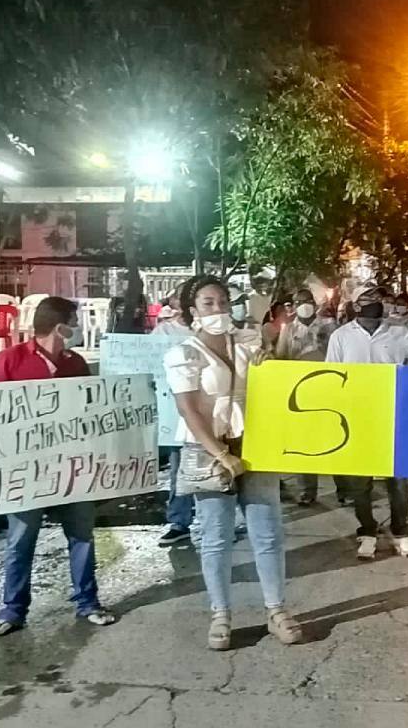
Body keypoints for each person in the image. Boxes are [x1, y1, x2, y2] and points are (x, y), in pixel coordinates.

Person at [164, 275, 302, 650]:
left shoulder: (248, 343)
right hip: (209, 450)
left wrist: (268, 364)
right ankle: (220, 615)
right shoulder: (184, 354)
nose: (218, 309)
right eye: (208, 303)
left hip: (255, 445)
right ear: (193, 311)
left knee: (268, 531)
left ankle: (276, 611)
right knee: (216, 538)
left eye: (223, 302)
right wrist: (220, 453)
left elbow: (272, 388)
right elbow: (188, 408)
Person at [0, 296, 117, 636]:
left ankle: (87, 602)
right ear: (60, 327)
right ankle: (12, 610)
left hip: (73, 466)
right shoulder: (8, 361)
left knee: (82, 535)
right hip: (25, 470)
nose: (75, 329)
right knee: (21, 540)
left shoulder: (76, 364)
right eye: (73, 322)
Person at [325, 285, 408, 560]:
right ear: (356, 305)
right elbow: (331, 375)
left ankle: (401, 532)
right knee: (360, 482)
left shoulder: (398, 333)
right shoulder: (341, 337)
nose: (375, 302)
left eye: (378, 298)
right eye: (368, 298)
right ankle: (367, 531)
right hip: (357, 419)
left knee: (397, 479)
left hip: (394, 415)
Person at [275, 288, 349, 507]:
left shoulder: (330, 327)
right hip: (300, 394)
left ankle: (344, 490)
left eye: (306, 301)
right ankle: (308, 491)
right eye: (298, 301)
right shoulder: (288, 329)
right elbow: (281, 359)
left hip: (328, 389)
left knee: (336, 441)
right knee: (304, 445)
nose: (303, 304)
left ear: (314, 303)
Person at [153, 295, 196, 546]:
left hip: (209, 412)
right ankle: (180, 521)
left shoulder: (210, 331)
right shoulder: (163, 331)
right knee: (180, 470)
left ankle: (222, 522)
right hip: (176, 412)